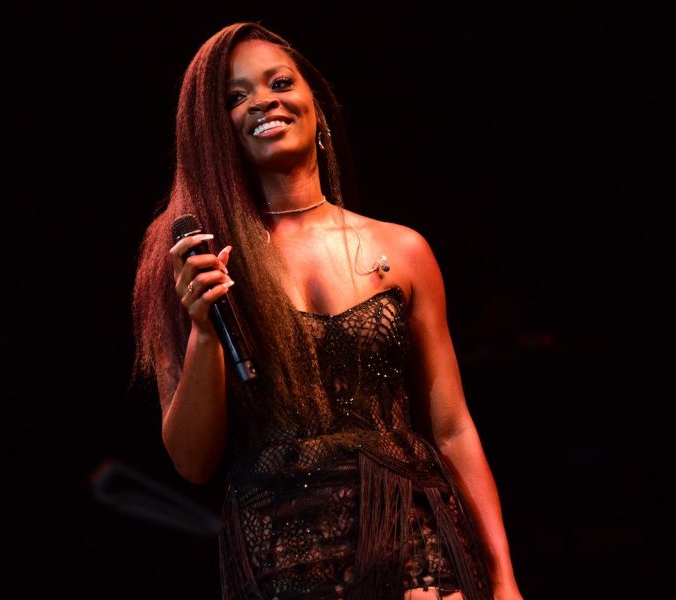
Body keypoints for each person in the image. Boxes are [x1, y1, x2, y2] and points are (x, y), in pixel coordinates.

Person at [133, 22, 523, 600]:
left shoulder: (403, 250)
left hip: (411, 539)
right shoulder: (193, 257)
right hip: (279, 559)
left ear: (313, 101)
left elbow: (452, 428)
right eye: (235, 97)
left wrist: (503, 580)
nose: (262, 100)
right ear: (215, 131)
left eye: (278, 82)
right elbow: (192, 461)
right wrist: (204, 331)